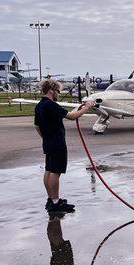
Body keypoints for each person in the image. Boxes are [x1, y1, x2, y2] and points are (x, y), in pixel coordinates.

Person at [35, 79, 94, 213]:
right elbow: (72, 116)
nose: (58, 94)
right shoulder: (51, 105)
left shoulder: (39, 105)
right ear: (51, 90)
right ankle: (56, 203)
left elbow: (37, 126)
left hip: (48, 142)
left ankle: (51, 199)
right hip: (57, 143)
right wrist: (87, 107)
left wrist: (45, 137)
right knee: (56, 172)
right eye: (58, 91)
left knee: (49, 170)